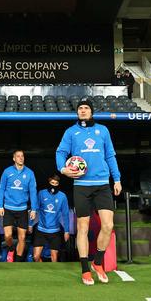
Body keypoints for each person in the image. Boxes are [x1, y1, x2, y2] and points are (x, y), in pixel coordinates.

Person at [56, 99, 121, 286]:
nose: (83, 111)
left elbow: (110, 155)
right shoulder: (71, 132)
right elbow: (60, 152)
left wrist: (116, 179)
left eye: (86, 108)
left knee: (108, 226)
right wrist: (63, 169)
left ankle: (98, 262)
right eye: (80, 108)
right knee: (82, 228)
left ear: (91, 111)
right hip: (81, 185)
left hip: (102, 184)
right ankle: (85, 269)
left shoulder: (103, 130)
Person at [0, 150, 38, 262]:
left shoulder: (29, 173)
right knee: (7, 236)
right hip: (8, 208)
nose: (20, 158)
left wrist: (34, 209)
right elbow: (1, 189)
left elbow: (33, 192)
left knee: (22, 237)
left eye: (22, 156)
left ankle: (18, 262)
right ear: (14, 158)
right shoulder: (7, 172)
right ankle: (11, 249)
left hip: (22, 210)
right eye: (18, 156)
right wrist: (0, 206)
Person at [32, 174, 70, 262]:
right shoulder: (41, 193)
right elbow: (35, 209)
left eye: (56, 183)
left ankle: (53, 274)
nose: (54, 185)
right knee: (36, 257)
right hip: (41, 230)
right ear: (49, 182)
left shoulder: (62, 196)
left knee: (54, 258)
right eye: (52, 183)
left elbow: (65, 214)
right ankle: (42, 270)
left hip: (55, 232)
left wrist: (67, 231)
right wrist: (30, 224)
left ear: (58, 184)